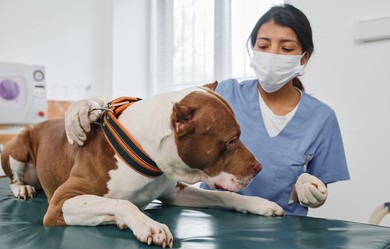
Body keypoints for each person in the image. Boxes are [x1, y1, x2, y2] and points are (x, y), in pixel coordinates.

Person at [64, 4, 349, 216]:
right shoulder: (221, 96)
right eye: (264, 45)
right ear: (252, 50)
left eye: (286, 48)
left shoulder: (322, 118)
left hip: (281, 229)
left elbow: (320, 188)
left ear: (304, 57)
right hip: (213, 220)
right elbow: (156, 114)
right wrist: (96, 105)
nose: (273, 55)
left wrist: (313, 192)